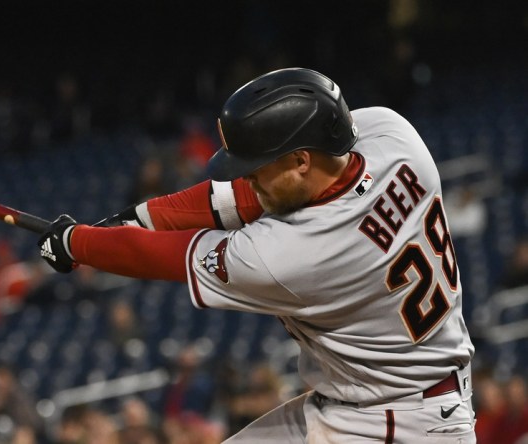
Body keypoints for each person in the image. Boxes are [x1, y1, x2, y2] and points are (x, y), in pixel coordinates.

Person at [36, 67, 476, 442]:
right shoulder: (393, 136)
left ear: (302, 160)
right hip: (377, 398)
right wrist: (133, 217)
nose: (249, 178)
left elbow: (165, 255)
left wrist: (78, 243)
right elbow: (243, 197)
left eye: (258, 167)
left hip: (404, 425)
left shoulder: (295, 253)